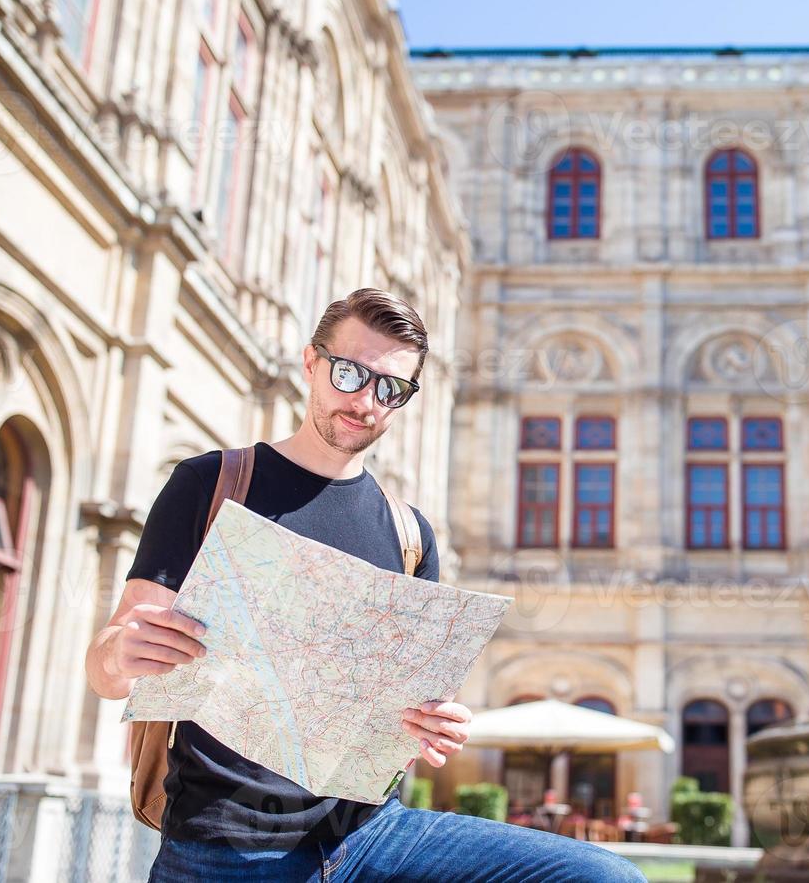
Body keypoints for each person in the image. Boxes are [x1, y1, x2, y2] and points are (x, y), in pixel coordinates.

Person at [85, 288, 644, 882]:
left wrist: (433, 723)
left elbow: (400, 728)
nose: (365, 401)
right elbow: (107, 669)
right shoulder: (214, 484)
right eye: (350, 373)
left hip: (371, 836)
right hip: (227, 847)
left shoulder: (411, 537)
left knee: (604, 876)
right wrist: (122, 654)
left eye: (390, 388)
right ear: (310, 362)